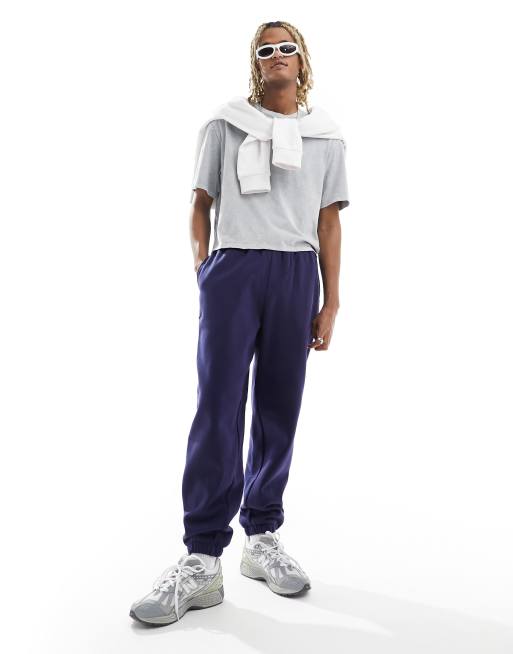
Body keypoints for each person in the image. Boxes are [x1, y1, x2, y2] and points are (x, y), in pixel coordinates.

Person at [130, 20, 350, 626]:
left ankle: (262, 536)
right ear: (256, 63)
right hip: (234, 270)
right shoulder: (225, 126)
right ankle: (202, 557)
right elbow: (199, 203)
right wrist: (205, 269)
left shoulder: (326, 137)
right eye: (265, 49)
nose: (276, 55)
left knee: (279, 406)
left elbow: (329, 221)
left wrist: (331, 301)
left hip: (295, 272)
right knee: (218, 405)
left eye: (287, 48)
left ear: (302, 61)